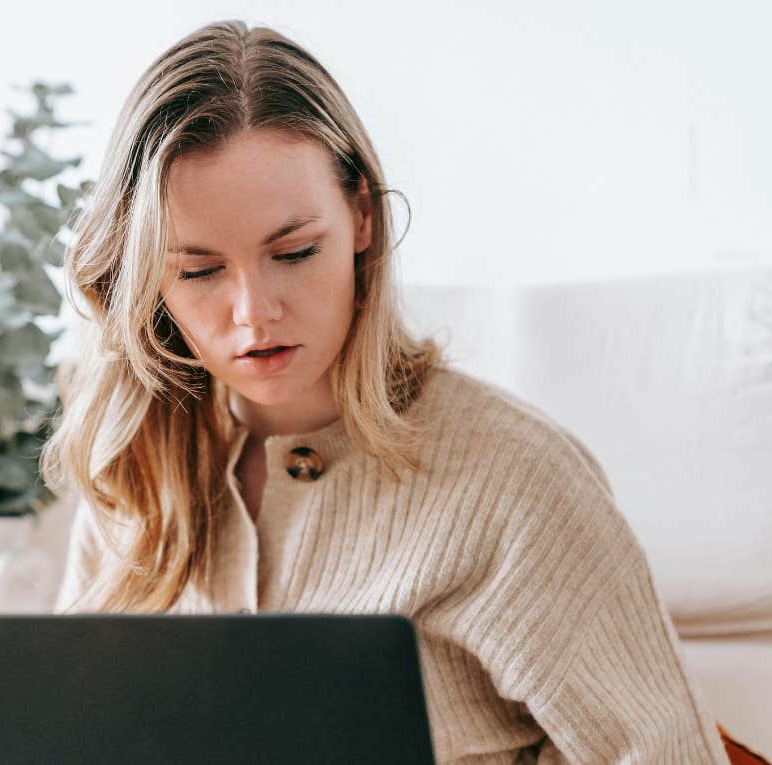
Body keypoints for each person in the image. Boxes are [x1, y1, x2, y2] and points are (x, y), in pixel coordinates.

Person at [39, 19, 730, 764]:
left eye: (295, 251)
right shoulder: (135, 475)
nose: (254, 311)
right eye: (199, 271)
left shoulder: (515, 480)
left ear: (362, 215)